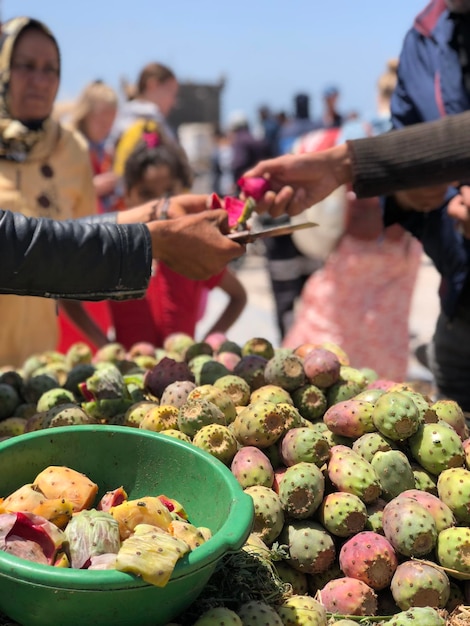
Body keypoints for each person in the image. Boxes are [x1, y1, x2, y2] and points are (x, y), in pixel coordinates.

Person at [280, 61, 422, 380]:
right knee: (383, 354)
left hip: (359, 250)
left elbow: (305, 150)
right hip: (401, 254)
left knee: (330, 350)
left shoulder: (357, 133)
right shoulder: (420, 132)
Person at [0, 16, 112, 367]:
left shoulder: (71, 150)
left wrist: (103, 344)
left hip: (36, 369)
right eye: (26, 66)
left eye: (51, 69)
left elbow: (75, 258)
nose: (40, 80)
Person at [108, 138, 247, 349]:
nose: (158, 205)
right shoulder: (116, 252)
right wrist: (102, 344)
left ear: (183, 193)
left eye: (168, 194)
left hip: (184, 378)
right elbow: (69, 299)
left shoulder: (192, 251)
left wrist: (206, 344)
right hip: (128, 377)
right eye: (146, 194)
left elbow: (238, 296)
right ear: (127, 196)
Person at [57, 80, 121, 354]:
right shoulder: (72, 145)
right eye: (102, 117)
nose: (107, 124)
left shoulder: (95, 146)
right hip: (75, 248)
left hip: (94, 248)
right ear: (87, 113)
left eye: (111, 118)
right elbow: (60, 193)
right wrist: (97, 185)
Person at [111, 61, 192, 189]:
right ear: (152, 85)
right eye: (171, 92)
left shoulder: (119, 119)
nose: (174, 101)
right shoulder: (151, 121)